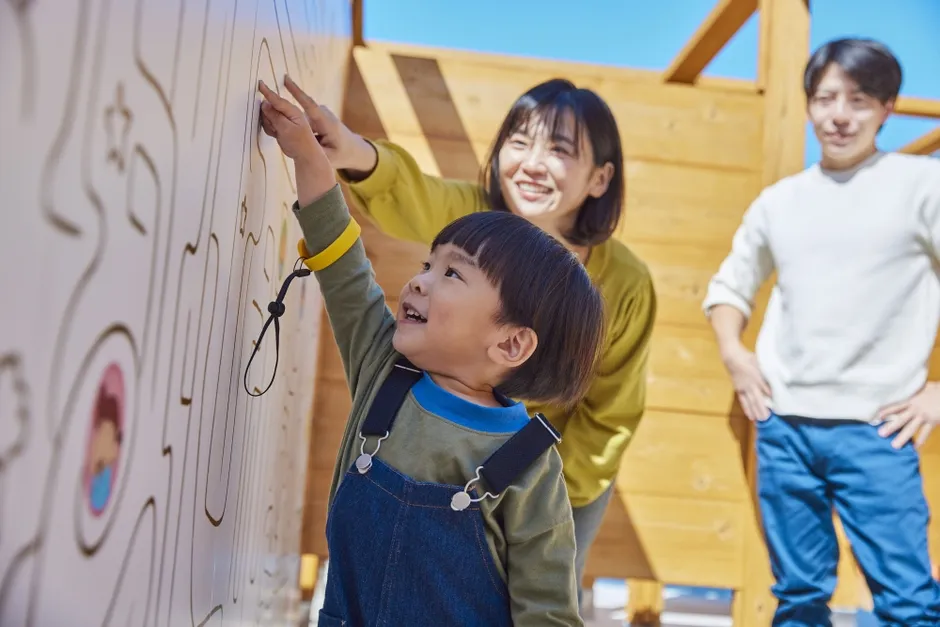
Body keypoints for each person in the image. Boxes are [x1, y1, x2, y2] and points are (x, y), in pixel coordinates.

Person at [274, 75, 657, 599]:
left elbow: (609, 417)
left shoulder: (627, 284)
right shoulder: (476, 224)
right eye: (518, 142)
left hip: (555, 473)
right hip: (449, 441)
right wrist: (349, 152)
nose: (532, 162)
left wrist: (530, 489)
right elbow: (411, 196)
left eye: (559, 149)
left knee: (536, 586)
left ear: (599, 178)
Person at [703, 37, 940, 626]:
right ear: (809, 105)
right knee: (799, 596)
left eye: (859, 100)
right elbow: (729, 289)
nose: (839, 115)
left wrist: (938, 391)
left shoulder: (921, 186)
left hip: (877, 428)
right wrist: (734, 354)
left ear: (887, 108)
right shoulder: (779, 202)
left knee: (909, 601)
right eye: (826, 97)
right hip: (784, 426)